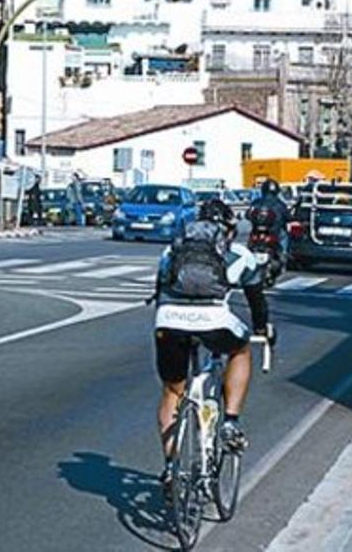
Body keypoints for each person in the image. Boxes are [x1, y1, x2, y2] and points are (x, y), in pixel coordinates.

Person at [153, 198, 272, 486]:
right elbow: (257, 300)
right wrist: (262, 328)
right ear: (228, 229)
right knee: (240, 350)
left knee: (172, 392)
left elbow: (160, 290)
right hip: (214, 321)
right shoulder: (238, 254)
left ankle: (171, 467)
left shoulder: (171, 251)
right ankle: (230, 421)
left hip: (169, 320)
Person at [248, 178, 291, 255]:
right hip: (275, 232)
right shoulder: (280, 204)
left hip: (256, 232)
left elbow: (247, 215)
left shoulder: (256, 202)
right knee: (284, 236)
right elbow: (288, 217)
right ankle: (284, 253)